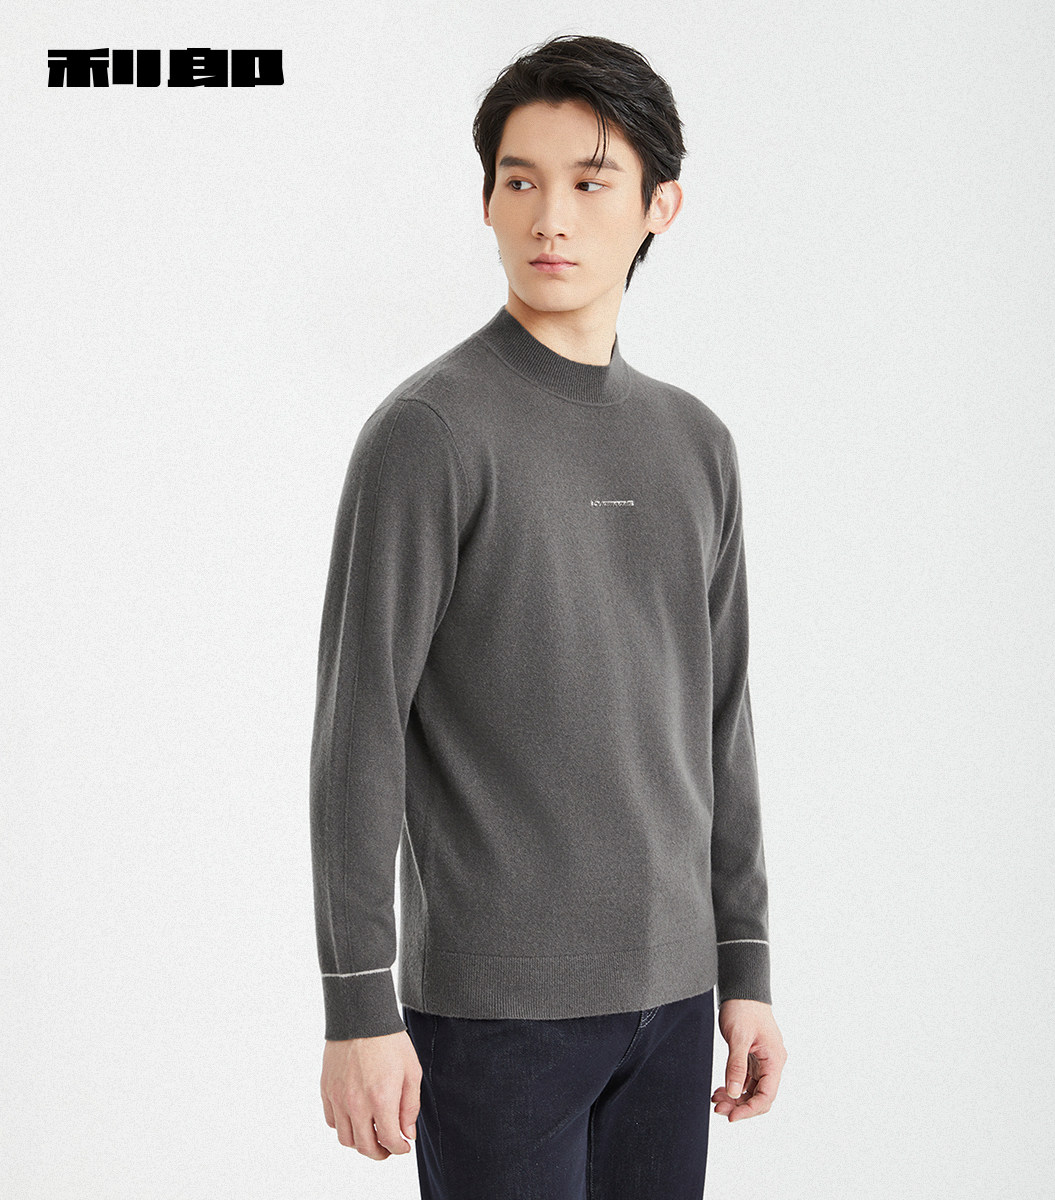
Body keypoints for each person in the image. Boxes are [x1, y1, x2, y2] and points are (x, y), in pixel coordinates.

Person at [309, 32, 787, 1199]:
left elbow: (720, 722)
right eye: (520, 181)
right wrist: (358, 1005)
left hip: (674, 1003)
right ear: (487, 202)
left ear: (661, 205)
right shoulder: (430, 434)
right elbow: (359, 730)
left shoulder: (696, 443)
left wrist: (746, 966)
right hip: (495, 1015)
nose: (551, 218)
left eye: (590, 181)